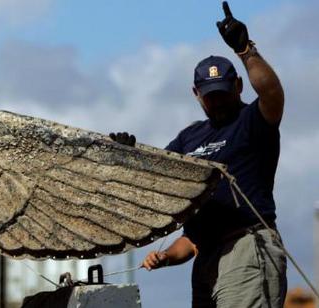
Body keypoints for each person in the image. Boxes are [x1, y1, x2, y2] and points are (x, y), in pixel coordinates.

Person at [110, 2, 287, 307]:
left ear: (239, 86)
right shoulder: (189, 138)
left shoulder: (252, 121)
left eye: (222, 93)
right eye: (209, 96)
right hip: (206, 260)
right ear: (196, 94)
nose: (216, 102)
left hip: (245, 249)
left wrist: (246, 50)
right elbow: (161, 185)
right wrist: (126, 157)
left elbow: (272, 94)